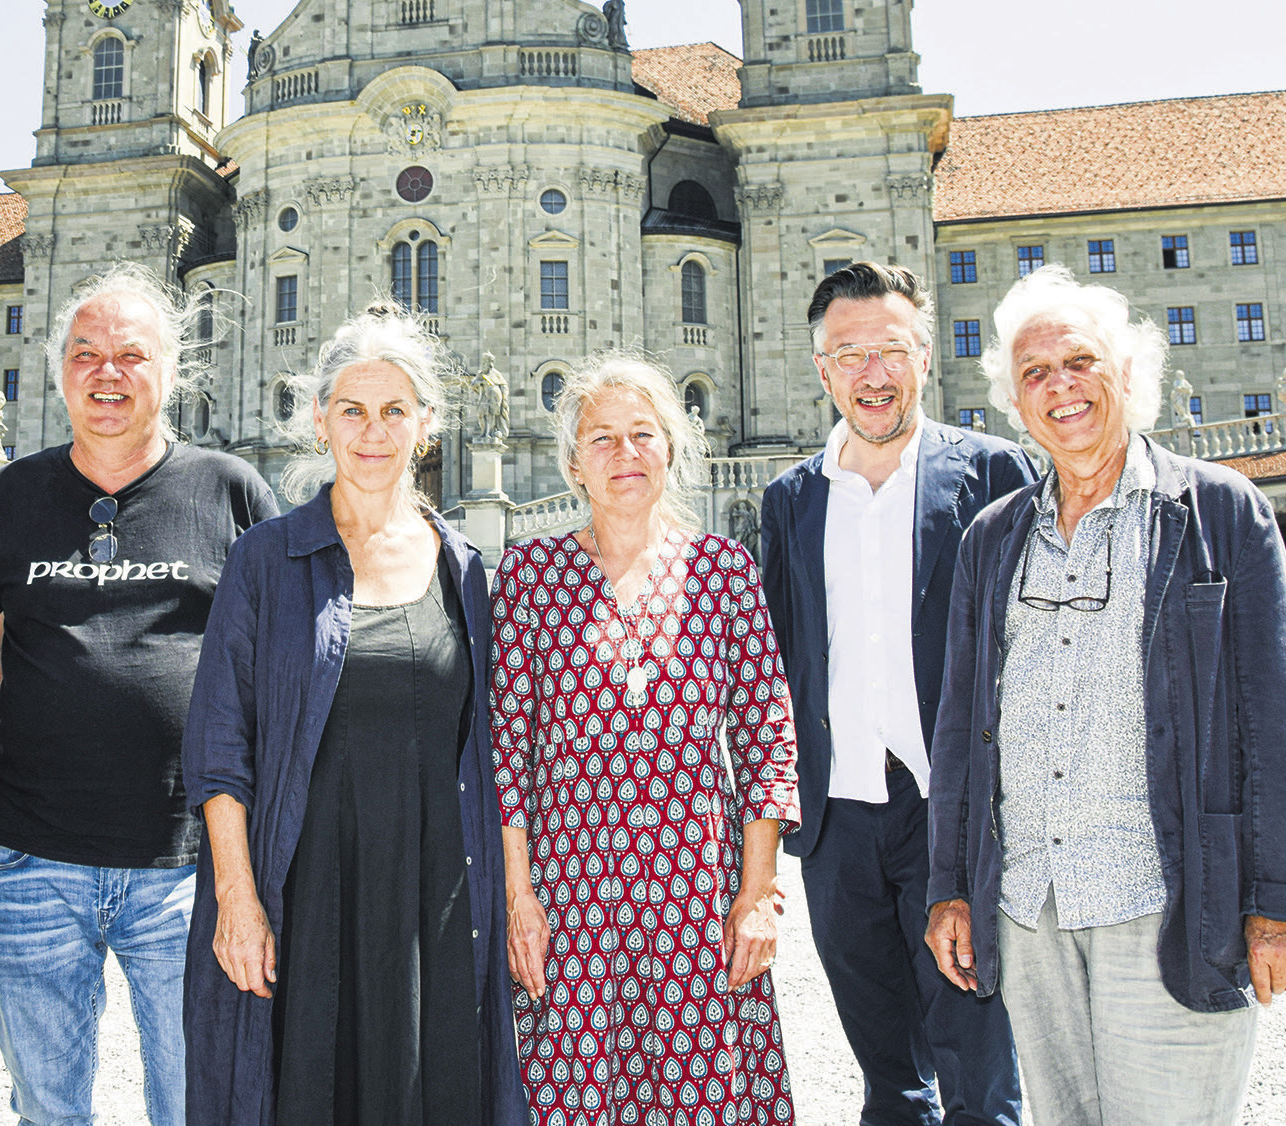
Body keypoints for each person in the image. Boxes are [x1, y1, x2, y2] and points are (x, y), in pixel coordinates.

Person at [927, 266, 1286, 1126]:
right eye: (1034, 375)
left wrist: (1272, 899)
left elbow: (1271, 718)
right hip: (1028, 904)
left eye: (1079, 362)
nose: (1060, 388)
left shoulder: (1217, 512)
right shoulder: (992, 535)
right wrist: (949, 882)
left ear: (1127, 374)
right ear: (1015, 403)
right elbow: (958, 721)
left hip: (1163, 895)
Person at [182, 305, 529, 1126]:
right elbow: (218, 744)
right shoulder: (265, 558)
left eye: (394, 411)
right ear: (319, 420)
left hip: (433, 892)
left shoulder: (464, 567)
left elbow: (491, 747)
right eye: (352, 410)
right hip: (305, 887)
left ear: (427, 425)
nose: (372, 432)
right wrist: (237, 901)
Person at [0, 263, 277, 1126]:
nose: (107, 373)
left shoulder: (231, 492)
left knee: (194, 1101)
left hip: (185, 865)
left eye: (131, 355)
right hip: (33, 858)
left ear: (170, 372)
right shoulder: (7, 498)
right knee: (46, 1107)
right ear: (59, 369)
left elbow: (266, 670)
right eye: (86, 354)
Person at [491, 352, 800, 1126]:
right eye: (601, 439)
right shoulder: (531, 573)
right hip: (570, 893)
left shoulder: (723, 570)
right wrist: (516, 897)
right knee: (569, 1091)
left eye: (642, 434)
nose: (624, 454)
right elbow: (504, 750)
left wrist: (756, 895)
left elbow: (765, 731)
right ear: (571, 463)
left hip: (695, 888)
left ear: (672, 448)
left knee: (698, 1096)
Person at [760, 263, 1031, 1126]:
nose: (871, 374)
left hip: (950, 812)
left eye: (890, 351)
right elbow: (777, 660)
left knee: (979, 1069)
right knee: (885, 1074)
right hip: (838, 818)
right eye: (849, 355)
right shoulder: (789, 499)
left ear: (924, 357)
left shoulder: (994, 472)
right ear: (821, 370)